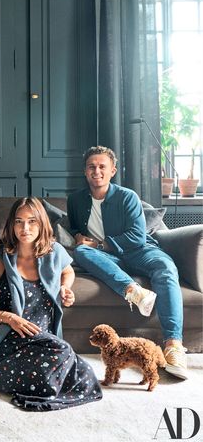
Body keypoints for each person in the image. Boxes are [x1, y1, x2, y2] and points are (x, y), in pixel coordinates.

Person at [0, 197, 102, 410]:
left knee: (86, 377)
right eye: (19, 221)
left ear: (42, 223)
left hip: (41, 339)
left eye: (32, 221)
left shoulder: (54, 252)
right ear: (11, 225)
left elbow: (68, 271)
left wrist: (65, 287)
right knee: (62, 352)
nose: (25, 228)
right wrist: (9, 317)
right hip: (5, 336)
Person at [67, 145, 187, 380]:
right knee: (81, 252)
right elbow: (74, 227)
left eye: (102, 166)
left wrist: (99, 245)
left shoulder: (127, 197)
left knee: (165, 269)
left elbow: (136, 236)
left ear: (113, 170)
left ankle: (173, 346)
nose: (97, 171)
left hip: (139, 251)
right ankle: (133, 291)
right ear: (85, 171)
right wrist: (77, 237)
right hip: (108, 258)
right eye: (92, 167)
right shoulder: (76, 200)